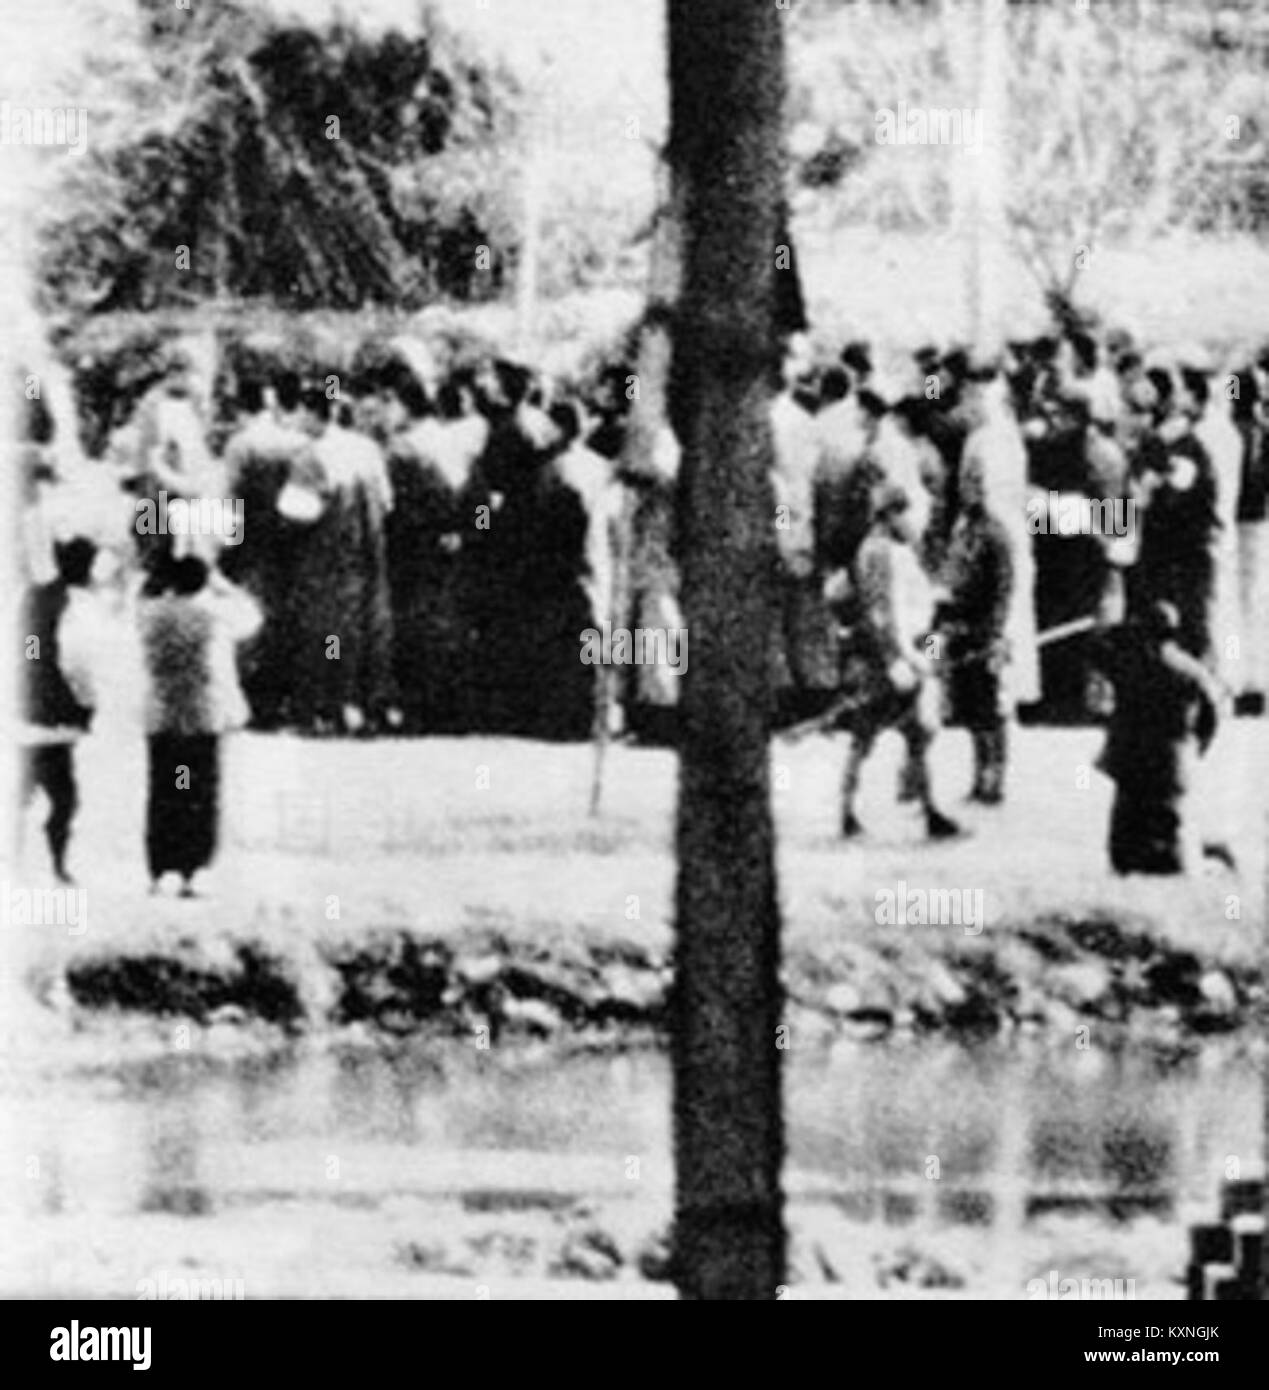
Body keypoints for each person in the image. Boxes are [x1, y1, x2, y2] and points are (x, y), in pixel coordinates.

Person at [832, 486, 961, 841]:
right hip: (889, 656)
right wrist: (897, 660)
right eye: (910, 513)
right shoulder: (882, 552)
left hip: (905, 651)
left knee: (917, 732)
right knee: (868, 736)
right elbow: (882, 612)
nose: (916, 521)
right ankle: (849, 810)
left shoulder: (890, 550)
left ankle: (927, 809)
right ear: (891, 514)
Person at [137, 556, 261, 896]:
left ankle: (163, 867)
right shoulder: (214, 616)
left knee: (165, 792)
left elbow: (134, 607)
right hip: (202, 715)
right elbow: (251, 619)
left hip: (162, 716)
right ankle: (196, 866)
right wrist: (225, 587)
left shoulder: (152, 616)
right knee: (199, 794)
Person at [1094, 600, 1221, 876]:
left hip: (1132, 759)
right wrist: (1195, 749)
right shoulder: (1193, 670)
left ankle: (1135, 865)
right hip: (1174, 760)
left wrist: (1114, 628)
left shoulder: (1128, 666)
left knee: (1127, 830)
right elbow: (1211, 717)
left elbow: (1098, 649)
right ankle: (1179, 865)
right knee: (1173, 826)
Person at [18, 538, 99, 883]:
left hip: (23, 708)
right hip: (55, 716)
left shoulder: (32, 597)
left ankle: (13, 858)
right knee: (63, 797)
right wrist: (87, 702)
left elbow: (30, 648)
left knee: (22, 789)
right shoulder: (74, 604)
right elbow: (75, 661)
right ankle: (57, 865)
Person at [939, 452, 1015, 803]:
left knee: (990, 710)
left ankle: (994, 776)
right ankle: (978, 774)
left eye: (976, 485)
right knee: (969, 708)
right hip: (960, 627)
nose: (970, 492)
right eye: (966, 484)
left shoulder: (994, 534)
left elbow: (1003, 588)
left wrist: (996, 633)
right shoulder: (962, 529)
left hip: (983, 630)